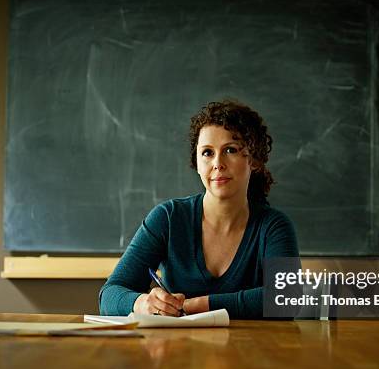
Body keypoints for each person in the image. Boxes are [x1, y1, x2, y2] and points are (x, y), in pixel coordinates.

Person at [98, 100, 299, 319]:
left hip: (248, 351)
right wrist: (141, 303)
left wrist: (199, 305)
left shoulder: (273, 226)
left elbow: (287, 299)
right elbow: (109, 295)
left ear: (255, 160)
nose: (218, 163)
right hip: (178, 350)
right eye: (207, 153)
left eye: (230, 150)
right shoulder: (168, 218)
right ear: (196, 161)